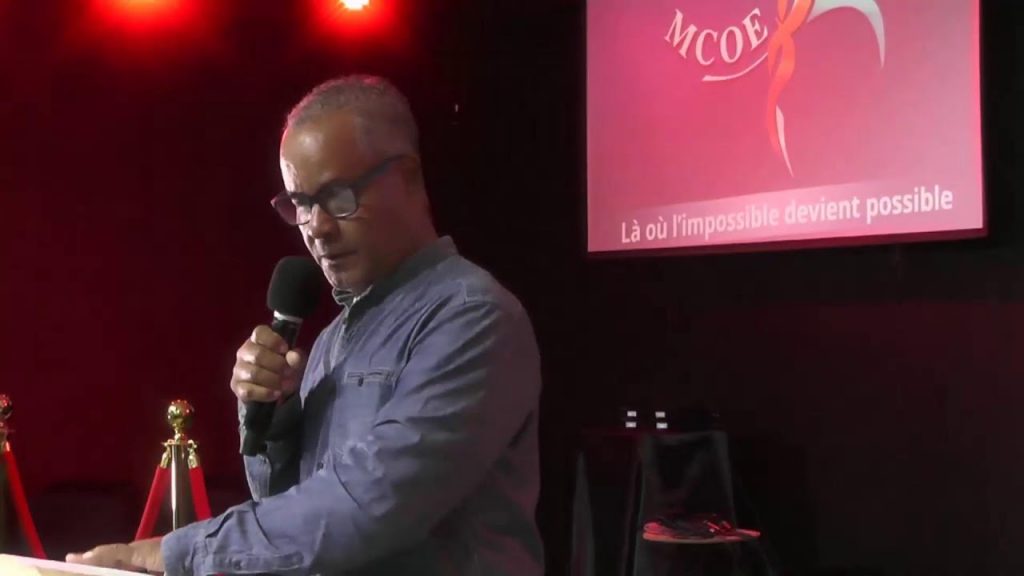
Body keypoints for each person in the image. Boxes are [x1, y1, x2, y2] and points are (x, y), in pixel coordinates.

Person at [68, 75, 545, 575]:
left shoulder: (474, 316)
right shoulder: (331, 341)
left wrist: (175, 552)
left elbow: (372, 504)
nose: (316, 227)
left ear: (407, 177)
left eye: (338, 196)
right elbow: (292, 521)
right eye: (300, 203)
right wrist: (276, 424)